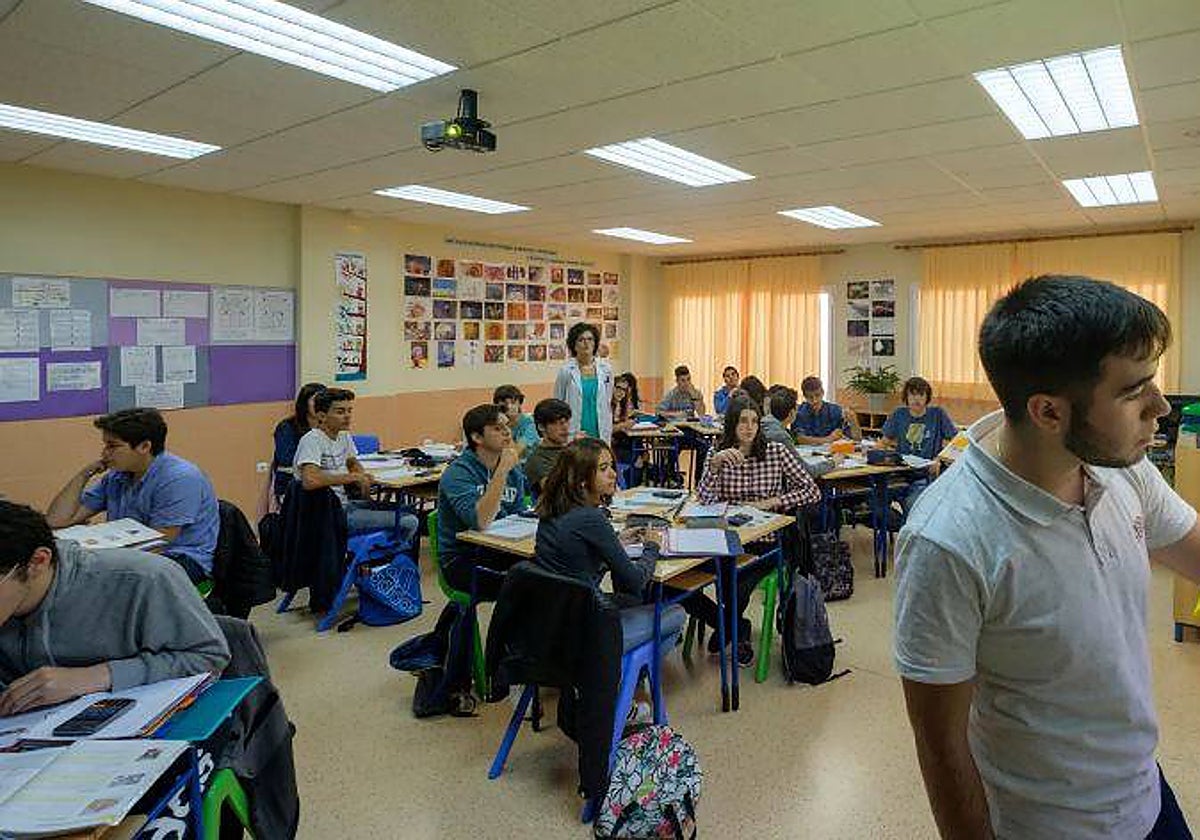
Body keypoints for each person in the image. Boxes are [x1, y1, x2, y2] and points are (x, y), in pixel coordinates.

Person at [894, 275, 1200, 839]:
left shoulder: (1123, 468)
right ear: (1049, 413)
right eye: (1134, 391)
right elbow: (941, 746)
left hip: (1145, 797)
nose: (1160, 407)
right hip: (1046, 823)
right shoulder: (948, 540)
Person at [0, 501, 229, 715]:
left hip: (141, 728)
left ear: (37, 562)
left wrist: (97, 676)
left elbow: (209, 658)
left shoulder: (144, 579)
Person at [687, 398, 821, 665]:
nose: (749, 428)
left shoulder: (775, 452)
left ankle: (731, 629)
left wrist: (774, 502)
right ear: (731, 424)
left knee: (734, 582)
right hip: (727, 540)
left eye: (754, 422)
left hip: (767, 542)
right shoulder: (718, 453)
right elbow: (701, 500)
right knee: (681, 581)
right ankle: (735, 628)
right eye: (742, 421)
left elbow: (812, 491)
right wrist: (713, 468)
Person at [45, 407, 219, 583]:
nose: (104, 453)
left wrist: (97, 560)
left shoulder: (179, 479)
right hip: (132, 553)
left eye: (112, 446)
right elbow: (56, 521)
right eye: (105, 445)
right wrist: (84, 475)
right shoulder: (118, 475)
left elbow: (157, 543)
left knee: (88, 581)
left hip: (179, 561)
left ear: (144, 446)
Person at [293, 388, 418, 543]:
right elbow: (310, 480)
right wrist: (352, 477)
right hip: (328, 514)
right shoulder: (312, 440)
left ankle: (379, 552)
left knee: (410, 511)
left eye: (349, 411)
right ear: (322, 416)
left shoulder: (343, 435)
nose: (347, 416)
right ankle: (378, 555)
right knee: (409, 521)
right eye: (340, 412)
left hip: (345, 504)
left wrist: (361, 477)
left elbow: (352, 462)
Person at [436, 404, 530, 601]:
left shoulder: (513, 470)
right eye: (497, 428)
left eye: (507, 426)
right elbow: (480, 521)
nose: (507, 432)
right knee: (532, 585)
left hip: (500, 548)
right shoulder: (458, 473)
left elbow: (520, 516)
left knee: (553, 571)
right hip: (461, 559)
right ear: (477, 438)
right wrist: (502, 470)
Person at [881, 377, 958, 511]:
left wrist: (939, 459)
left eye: (921, 395)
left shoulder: (937, 414)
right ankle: (899, 525)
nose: (916, 399)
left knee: (914, 504)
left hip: (925, 475)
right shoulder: (899, 414)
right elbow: (884, 442)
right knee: (874, 497)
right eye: (912, 394)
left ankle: (908, 527)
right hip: (900, 473)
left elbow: (956, 442)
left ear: (927, 397)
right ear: (906, 396)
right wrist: (868, 452)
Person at [553, 323, 613, 442]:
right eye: (581, 340)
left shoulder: (606, 369)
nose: (586, 343)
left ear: (595, 343)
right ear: (574, 345)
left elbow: (608, 399)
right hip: (575, 430)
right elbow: (558, 404)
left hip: (600, 428)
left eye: (590, 339)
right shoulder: (566, 371)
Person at [271, 382, 326, 503]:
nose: (319, 405)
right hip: (292, 484)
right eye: (315, 400)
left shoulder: (328, 427)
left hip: (322, 480)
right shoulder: (287, 427)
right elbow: (286, 459)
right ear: (304, 403)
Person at [763, 385, 835, 477]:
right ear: (792, 412)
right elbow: (806, 471)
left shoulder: (765, 423)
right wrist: (833, 462)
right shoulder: (780, 436)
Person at [523, 398, 573, 490]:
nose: (565, 427)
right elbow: (556, 492)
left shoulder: (571, 449)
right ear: (541, 427)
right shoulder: (537, 459)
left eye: (566, 421)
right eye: (558, 423)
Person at [792, 376, 859, 443]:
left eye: (817, 395)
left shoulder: (835, 410)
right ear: (805, 396)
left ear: (823, 392)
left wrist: (853, 421)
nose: (815, 400)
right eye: (810, 397)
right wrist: (828, 439)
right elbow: (799, 439)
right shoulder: (799, 412)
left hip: (833, 451)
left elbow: (857, 439)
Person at [493, 384, 540, 457]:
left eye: (513, 403)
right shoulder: (495, 424)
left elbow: (515, 453)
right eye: (505, 404)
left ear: (519, 404)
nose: (509, 407)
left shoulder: (529, 424)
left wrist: (504, 426)